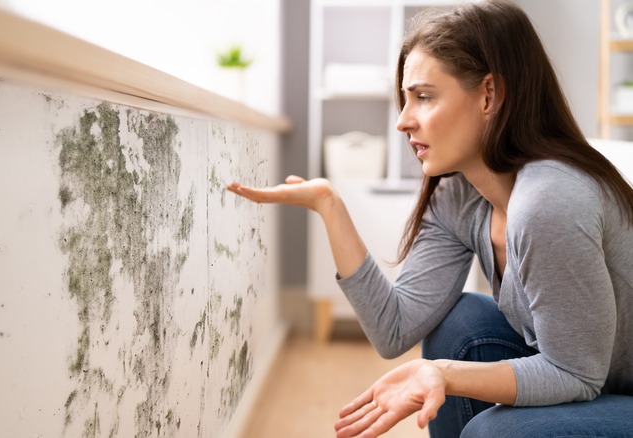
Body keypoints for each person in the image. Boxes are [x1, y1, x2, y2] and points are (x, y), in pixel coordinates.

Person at [227, 1, 633, 436]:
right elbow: (394, 328)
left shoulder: (550, 202)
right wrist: (330, 206)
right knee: (458, 323)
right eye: (404, 100)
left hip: (605, 385)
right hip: (596, 377)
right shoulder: (459, 196)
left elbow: (576, 374)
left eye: (423, 97)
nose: (403, 121)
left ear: (489, 95)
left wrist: (444, 374)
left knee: (491, 432)